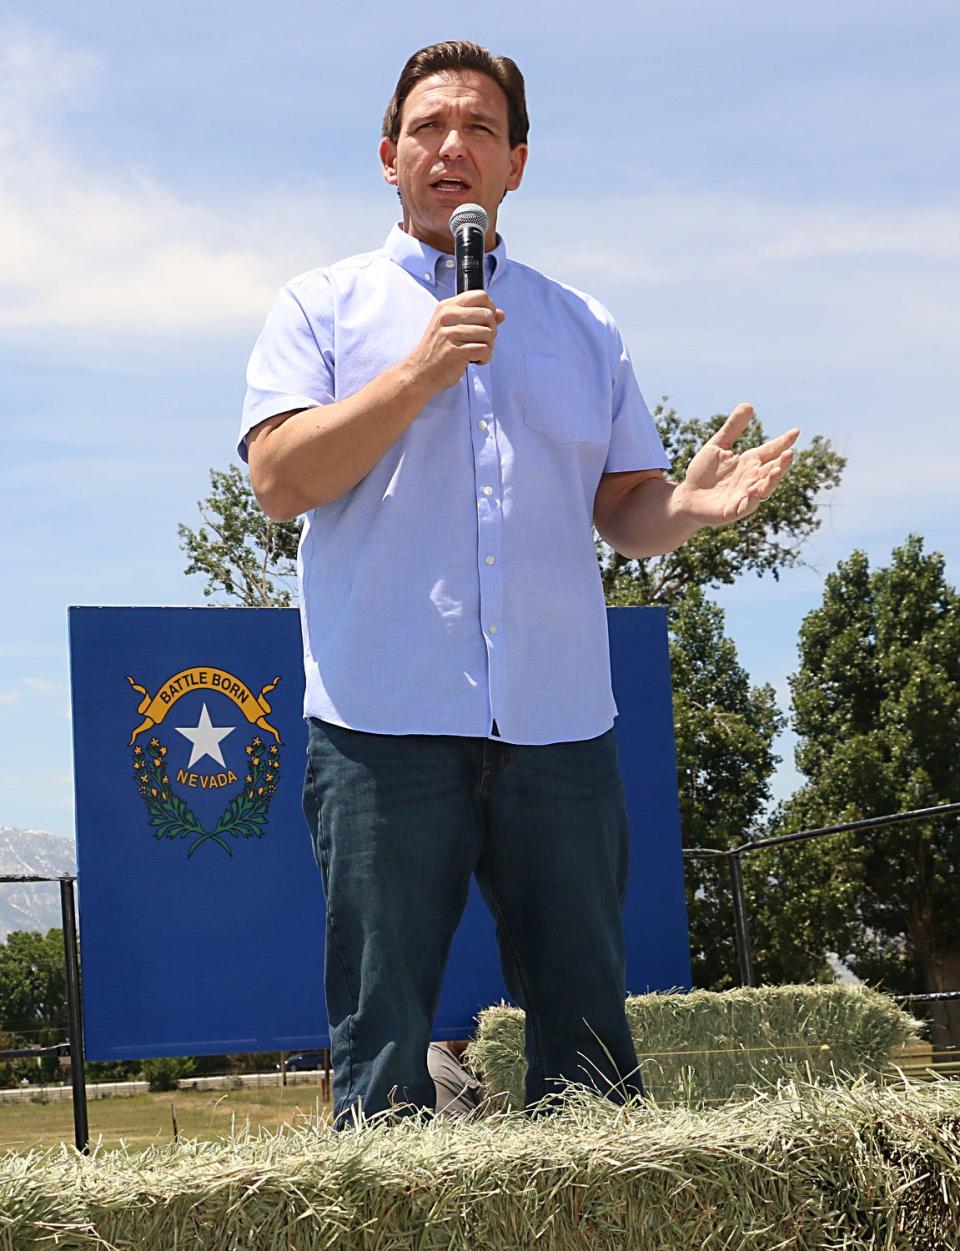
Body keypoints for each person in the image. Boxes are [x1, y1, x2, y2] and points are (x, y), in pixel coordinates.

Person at [239, 40, 798, 1128]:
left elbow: (625, 509)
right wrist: (420, 370)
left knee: (588, 1027)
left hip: (560, 723)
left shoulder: (584, 324)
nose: (455, 146)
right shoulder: (322, 307)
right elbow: (277, 480)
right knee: (384, 1030)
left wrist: (683, 510)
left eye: (482, 129)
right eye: (432, 128)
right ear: (389, 157)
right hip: (381, 718)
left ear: (518, 164)